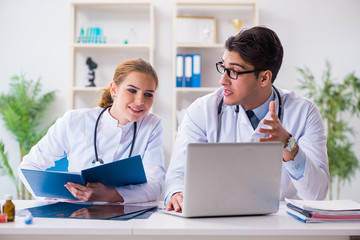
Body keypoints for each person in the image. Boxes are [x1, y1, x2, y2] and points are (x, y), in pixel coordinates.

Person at [165, 26, 330, 212]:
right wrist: (176, 193)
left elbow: (316, 195)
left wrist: (288, 144)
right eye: (223, 68)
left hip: (281, 226)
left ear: (264, 78)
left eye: (234, 72)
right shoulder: (202, 110)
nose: (223, 80)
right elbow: (177, 174)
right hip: (218, 219)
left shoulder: (304, 112)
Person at [19, 58, 165, 203]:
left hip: (126, 216)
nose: (140, 101)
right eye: (132, 90)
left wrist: (111, 195)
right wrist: (53, 200)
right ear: (114, 89)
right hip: (78, 214)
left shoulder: (151, 125)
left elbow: (155, 184)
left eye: (148, 94)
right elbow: (29, 167)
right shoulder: (75, 120)